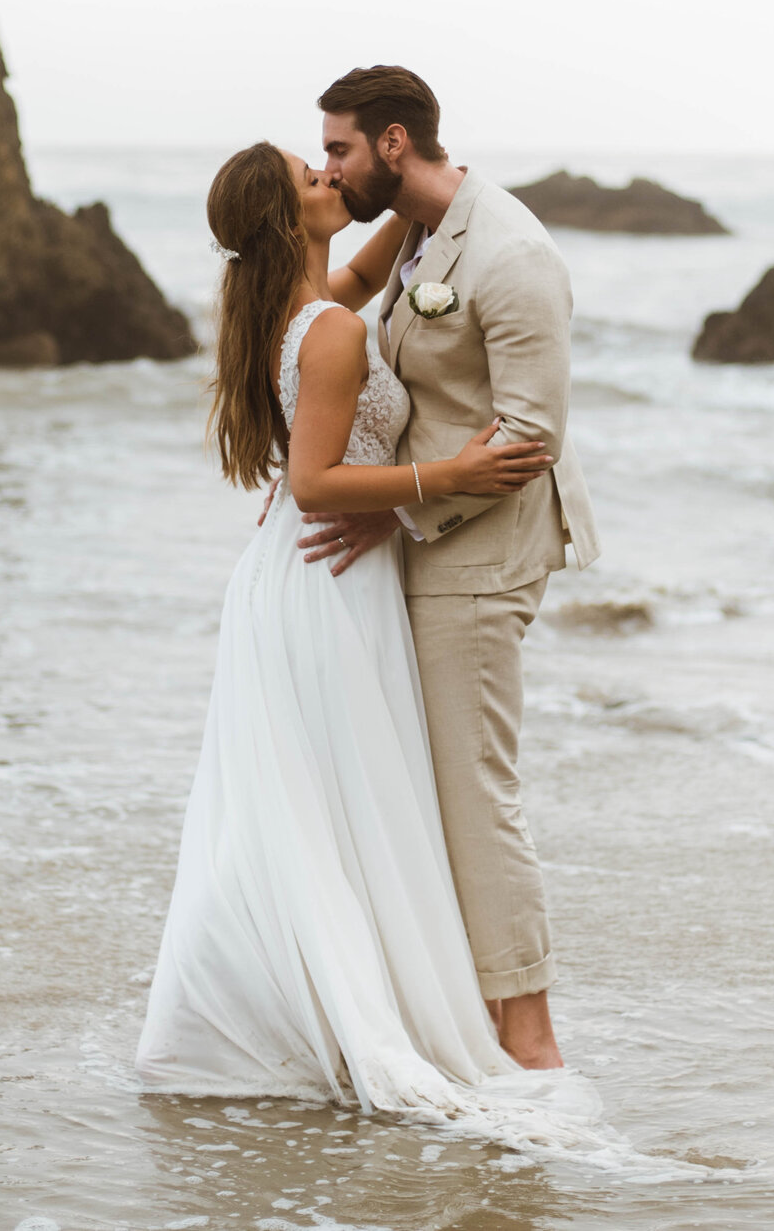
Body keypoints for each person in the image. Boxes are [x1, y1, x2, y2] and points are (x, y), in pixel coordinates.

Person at [133, 139, 553, 1108]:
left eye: (325, 162)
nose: (330, 180)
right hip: (324, 581)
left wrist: (422, 170)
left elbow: (380, 245)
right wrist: (447, 477)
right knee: (335, 804)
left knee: (319, 809)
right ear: (289, 220)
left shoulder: (306, 304)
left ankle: (285, 1002)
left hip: (304, 575)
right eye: (311, 178)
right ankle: (309, 1009)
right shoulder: (324, 329)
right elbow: (319, 480)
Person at [299, 64, 599, 1072]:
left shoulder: (510, 254)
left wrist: (402, 510)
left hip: (481, 546)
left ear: (392, 143)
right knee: (435, 786)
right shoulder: (421, 236)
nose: (330, 170)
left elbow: (529, 438)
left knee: (475, 786)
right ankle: (472, 1015)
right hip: (430, 534)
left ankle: (531, 1038)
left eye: (339, 148)